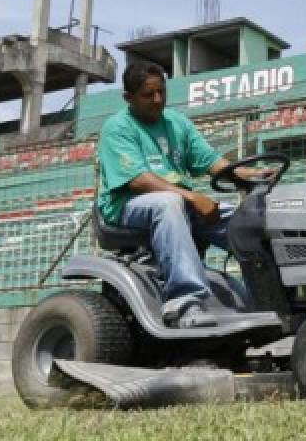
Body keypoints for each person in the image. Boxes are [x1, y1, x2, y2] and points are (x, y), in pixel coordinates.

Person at [96, 62, 270, 329]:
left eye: (162, 92)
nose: (158, 100)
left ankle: (272, 296)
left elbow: (211, 162)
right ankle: (184, 301)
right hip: (127, 207)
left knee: (243, 222)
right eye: (148, 94)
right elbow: (139, 180)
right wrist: (192, 198)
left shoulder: (177, 123)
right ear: (128, 97)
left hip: (177, 201)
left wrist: (250, 174)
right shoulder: (117, 127)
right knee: (168, 203)